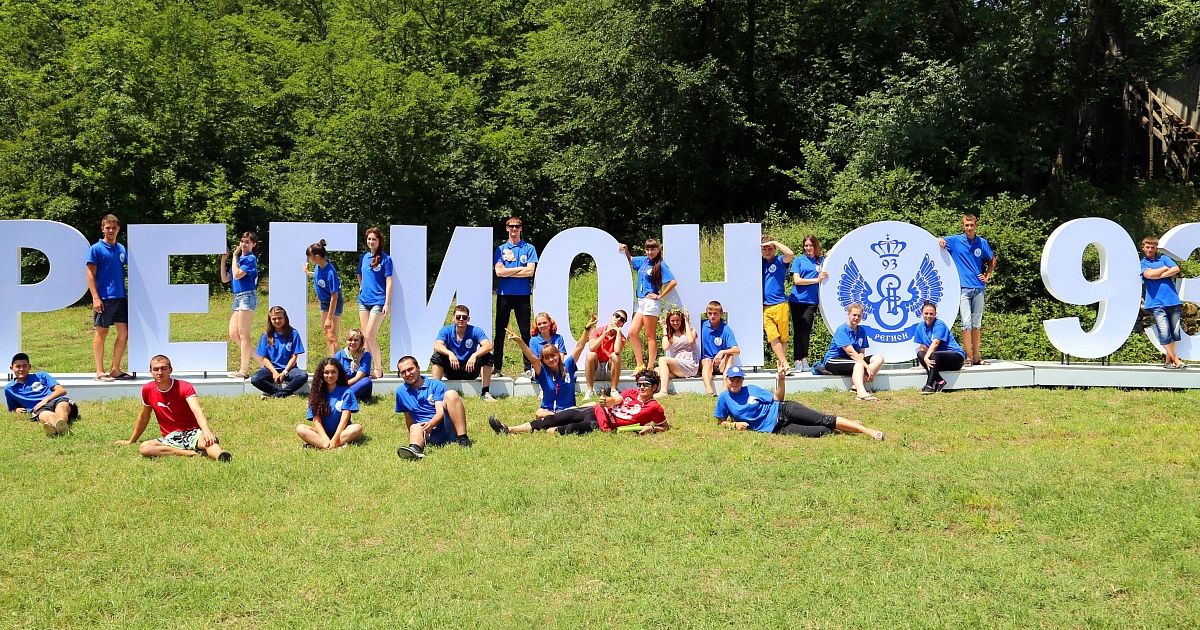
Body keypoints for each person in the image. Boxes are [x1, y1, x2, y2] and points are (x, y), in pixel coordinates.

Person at [715, 364, 884, 440]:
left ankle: (867, 431)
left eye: (738, 379)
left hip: (784, 410)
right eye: (732, 379)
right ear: (727, 379)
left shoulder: (751, 389)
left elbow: (777, 399)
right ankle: (846, 425)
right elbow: (720, 422)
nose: (735, 382)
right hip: (778, 429)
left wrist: (781, 379)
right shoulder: (724, 398)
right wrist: (734, 425)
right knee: (823, 431)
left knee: (825, 419)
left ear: (742, 380)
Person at [113, 354, 232, 461]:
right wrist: (131, 440)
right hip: (170, 438)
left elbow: (197, 410)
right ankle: (188, 453)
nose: (160, 372)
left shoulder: (184, 386)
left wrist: (206, 432)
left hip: (191, 433)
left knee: (208, 442)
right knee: (145, 448)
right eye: (156, 369)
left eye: (163, 368)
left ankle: (221, 455)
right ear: (150, 371)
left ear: (170, 370)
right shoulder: (147, 389)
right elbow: (144, 417)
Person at [489, 369, 668, 436]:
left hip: (601, 424)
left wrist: (652, 429)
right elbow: (615, 400)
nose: (641, 388)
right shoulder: (630, 393)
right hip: (595, 411)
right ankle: (508, 429)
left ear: (654, 387)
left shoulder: (655, 407)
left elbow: (665, 426)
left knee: (566, 430)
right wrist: (606, 401)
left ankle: (542, 430)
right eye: (639, 384)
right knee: (552, 420)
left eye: (646, 385)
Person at [938, 214, 997, 366]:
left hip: (979, 287)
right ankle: (968, 357)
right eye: (966, 225)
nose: (969, 228)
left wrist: (987, 276)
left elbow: (992, 260)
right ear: (963, 226)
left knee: (977, 324)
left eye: (971, 225)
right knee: (966, 323)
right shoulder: (955, 241)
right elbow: (938, 240)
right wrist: (940, 240)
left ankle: (977, 357)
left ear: (976, 226)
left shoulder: (981, 242)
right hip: (963, 288)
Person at [394, 355, 473, 460]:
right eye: (403, 372)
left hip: (444, 426)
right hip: (425, 431)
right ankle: (415, 449)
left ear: (418, 368)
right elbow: (408, 419)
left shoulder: (436, 385)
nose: (408, 374)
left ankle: (463, 438)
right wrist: (414, 434)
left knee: (451, 394)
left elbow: (440, 412)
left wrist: (431, 424)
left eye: (410, 369)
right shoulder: (400, 392)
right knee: (414, 426)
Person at [507, 319, 588, 420]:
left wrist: (587, 329)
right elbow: (532, 358)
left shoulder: (568, 366)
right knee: (539, 413)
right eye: (546, 358)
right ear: (543, 361)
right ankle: (558, 418)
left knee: (592, 404)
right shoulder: (543, 372)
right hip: (549, 412)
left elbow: (579, 347)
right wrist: (519, 341)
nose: (551, 359)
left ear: (558, 355)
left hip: (568, 410)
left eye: (553, 356)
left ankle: (560, 418)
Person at [620, 238, 678, 372]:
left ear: (658, 250)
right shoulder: (643, 260)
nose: (650, 252)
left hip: (651, 303)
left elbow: (673, 282)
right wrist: (626, 249)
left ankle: (650, 367)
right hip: (640, 302)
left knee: (650, 335)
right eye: (647, 249)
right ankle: (640, 364)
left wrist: (660, 296)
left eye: (653, 249)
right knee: (632, 332)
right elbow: (630, 259)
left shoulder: (660, 264)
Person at [86, 214, 131, 381]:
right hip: (104, 297)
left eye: (114, 228)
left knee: (124, 333)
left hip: (121, 297)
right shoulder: (96, 249)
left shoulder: (121, 248)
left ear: (118, 229)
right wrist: (95, 298)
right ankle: (99, 371)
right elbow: (90, 274)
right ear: (102, 229)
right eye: (108, 228)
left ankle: (115, 369)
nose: (111, 230)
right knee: (102, 332)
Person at [493, 216, 538, 378]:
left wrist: (508, 271)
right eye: (511, 226)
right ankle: (497, 368)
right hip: (504, 295)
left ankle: (528, 367)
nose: (514, 229)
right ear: (507, 228)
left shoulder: (529, 248)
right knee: (500, 332)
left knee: (525, 332)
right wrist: (520, 269)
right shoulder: (500, 249)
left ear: (521, 228)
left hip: (523, 295)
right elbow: (499, 272)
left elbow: (530, 272)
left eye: (517, 226)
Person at [818, 303, 885, 401]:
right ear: (848, 314)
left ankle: (855, 386)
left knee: (879, 358)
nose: (856, 318)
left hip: (852, 361)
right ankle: (861, 393)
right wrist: (866, 367)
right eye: (854, 315)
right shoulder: (842, 330)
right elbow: (851, 352)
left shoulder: (862, 330)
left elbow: (861, 352)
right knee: (859, 364)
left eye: (859, 316)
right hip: (833, 360)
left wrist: (863, 364)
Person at [430, 304, 496, 401]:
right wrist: (450, 353)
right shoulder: (446, 330)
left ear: (468, 319)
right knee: (437, 356)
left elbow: (488, 346)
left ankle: (485, 393)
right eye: (458, 317)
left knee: (487, 356)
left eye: (464, 317)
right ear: (453, 318)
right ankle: (435, 393)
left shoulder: (475, 330)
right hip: (452, 369)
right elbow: (437, 345)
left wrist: (474, 355)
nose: (461, 319)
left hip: (470, 369)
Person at [297, 358, 364, 449]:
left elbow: (344, 419)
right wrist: (325, 438)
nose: (330, 375)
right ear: (321, 374)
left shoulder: (347, 392)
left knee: (357, 428)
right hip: (322, 434)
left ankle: (321, 445)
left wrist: (335, 438)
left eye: (333, 372)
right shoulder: (316, 394)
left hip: (341, 432)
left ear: (338, 373)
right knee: (300, 429)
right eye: (326, 372)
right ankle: (334, 446)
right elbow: (316, 420)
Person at [6, 352, 78, 436]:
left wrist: (45, 400)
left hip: (56, 401)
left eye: (24, 366)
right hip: (39, 409)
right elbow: (12, 408)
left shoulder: (41, 376)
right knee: (47, 416)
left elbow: (61, 390)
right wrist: (15, 410)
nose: (21, 369)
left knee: (62, 407)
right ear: (11, 368)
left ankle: (58, 427)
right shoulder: (10, 389)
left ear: (29, 367)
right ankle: (60, 428)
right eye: (18, 366)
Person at [1140, 236, 1186, 369]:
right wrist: (1164, 269)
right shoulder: (1143, 263)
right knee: (1164, 332)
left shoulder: (1164, 258)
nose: (1150, 249)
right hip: (1156, 303)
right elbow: (1148, 275)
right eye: (1147, 247)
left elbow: (1176, 269)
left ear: (1156, 248)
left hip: (1173, 301)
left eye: (1152, 247)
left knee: (1174, 332)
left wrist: (1157, 275)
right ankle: (1176, 360)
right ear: (1143, 248)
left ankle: (1168, 362)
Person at [220, 231, 259, 379]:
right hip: (237, 298)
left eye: (247, 242)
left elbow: (237, 275)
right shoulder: (239, 260)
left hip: (247, 296)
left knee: (244, 335)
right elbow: (225, 278)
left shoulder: (250, 259)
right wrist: (224, 260)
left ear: (253, 244)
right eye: (242, 241)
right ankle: (262, 362)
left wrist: (235, 256)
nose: (244, 244)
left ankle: (243, 371)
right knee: (233, 334)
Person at [357, 226, 393, 378]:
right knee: (365, 338)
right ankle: (365, 370)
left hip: (378, 301)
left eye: (374, 239)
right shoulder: (364, 257)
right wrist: (361, 287)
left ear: (379, 241)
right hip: (363, 301)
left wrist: (387, 303)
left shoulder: (386, 259)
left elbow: (389, 281)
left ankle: (378, 369)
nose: (371, 241)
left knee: (370, 336)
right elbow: (359, 274)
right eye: (369, 239)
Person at [788, 234, 828, 373]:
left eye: (811, 245)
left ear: (815, 246)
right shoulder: (798, 260)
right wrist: (816, 280)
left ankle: (804, 358)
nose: (808, 248)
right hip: (797, 300)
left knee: (806, 331)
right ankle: (797, 360)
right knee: (798, 331)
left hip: (812, 301)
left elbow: (832, 258)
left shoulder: (821, 261)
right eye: (806, 245)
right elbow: (797, 280)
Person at [250, 306, 309, 398]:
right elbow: (264, 358)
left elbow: (294, 357)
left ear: (285, 318)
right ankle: (282, 393)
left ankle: (277, 394)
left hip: (289, 369)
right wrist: (274, 372)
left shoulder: (293, 333)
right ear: (270, 320)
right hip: (270, 369)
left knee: (302, 376)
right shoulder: (266, 335)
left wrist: (284, 372)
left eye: (280, 318)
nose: (277, 321)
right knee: (255, 379)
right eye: (274, 319)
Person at [912, 302, 966, 393]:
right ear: (921, 313)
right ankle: (940, 381)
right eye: (926, 313)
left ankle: (929, 385)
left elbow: (936, 343)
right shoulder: (920, 326)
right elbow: (923, 347)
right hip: (938, 361)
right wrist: (922, 364)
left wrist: (926, 358)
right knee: (919, 352)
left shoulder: (939, 324)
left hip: (956, 358)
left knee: (934, 355)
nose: (928, 316)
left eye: (931, 314)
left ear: (935, 314)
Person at [761, 235, 795, 373]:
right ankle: (785, 364)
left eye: (770, 248)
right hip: (765, 306)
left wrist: (775, 241)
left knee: (783, 337)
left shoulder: (780, 261)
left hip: (780, 303)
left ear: (774, 249)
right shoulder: (759, 263)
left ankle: (782, 365)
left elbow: (790, 254)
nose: (767, 251)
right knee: (772, 336)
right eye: (764, 249)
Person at [305, 239, 343, 356]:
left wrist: (329, 318)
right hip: (324, 303)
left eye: (310, 257)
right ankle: (334, 358)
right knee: (328, 334)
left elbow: (334, 296)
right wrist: (308, 272)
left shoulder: (330, 272)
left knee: (332, 335)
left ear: (317, 257)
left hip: (333, 303)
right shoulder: (319, 267)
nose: (309, 259)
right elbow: (319, 276)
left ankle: (338, 362)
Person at [700, 301, 741, 396]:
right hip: (706, 363)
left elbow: (737, 350)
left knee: (730, 356)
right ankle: (709, 390)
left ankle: (725, 389)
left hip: (720, 363)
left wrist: (722, 352)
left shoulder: (726, 329)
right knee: (707, 361)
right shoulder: (702, 325)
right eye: (710, 313)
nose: (712, 316)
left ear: (721, 314)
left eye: (715, 313)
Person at [584, 310, 627, 400]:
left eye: (622, 320)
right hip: (596, 368)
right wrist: (605, 334)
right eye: (617, 316)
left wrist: (618, 333)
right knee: (590, 355)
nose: (618, 319)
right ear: (612, 316)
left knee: (615, 356)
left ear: (622, 324)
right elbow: (592, 347)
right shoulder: (597, 330)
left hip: (610, 370)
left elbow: (617, 351)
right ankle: (590, 390)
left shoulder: (621, 337)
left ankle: (613, 390)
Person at [656, 308, 698, 397]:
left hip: (689, 364)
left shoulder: (691, 330)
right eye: (672, 321)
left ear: (681, 320)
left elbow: (690, 341)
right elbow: (665, 347)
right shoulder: (671, 334)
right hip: (677, 364)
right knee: (657, 371)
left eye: (677, 320)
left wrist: (687, 322)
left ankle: (663, 391)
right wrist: (664, 329)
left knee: (662, 360)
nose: (675, 323)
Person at [333, 328, 373, 400]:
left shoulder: (366, 355)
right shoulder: (339, 354)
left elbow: (358, 377)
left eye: (356, 340)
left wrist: (345, 386)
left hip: (359, 387)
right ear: (346, 341)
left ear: (361, 342)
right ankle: (345, 396)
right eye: (350, 340)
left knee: (367, 381)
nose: (352, 342)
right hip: (343, 386)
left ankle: (344, 396)